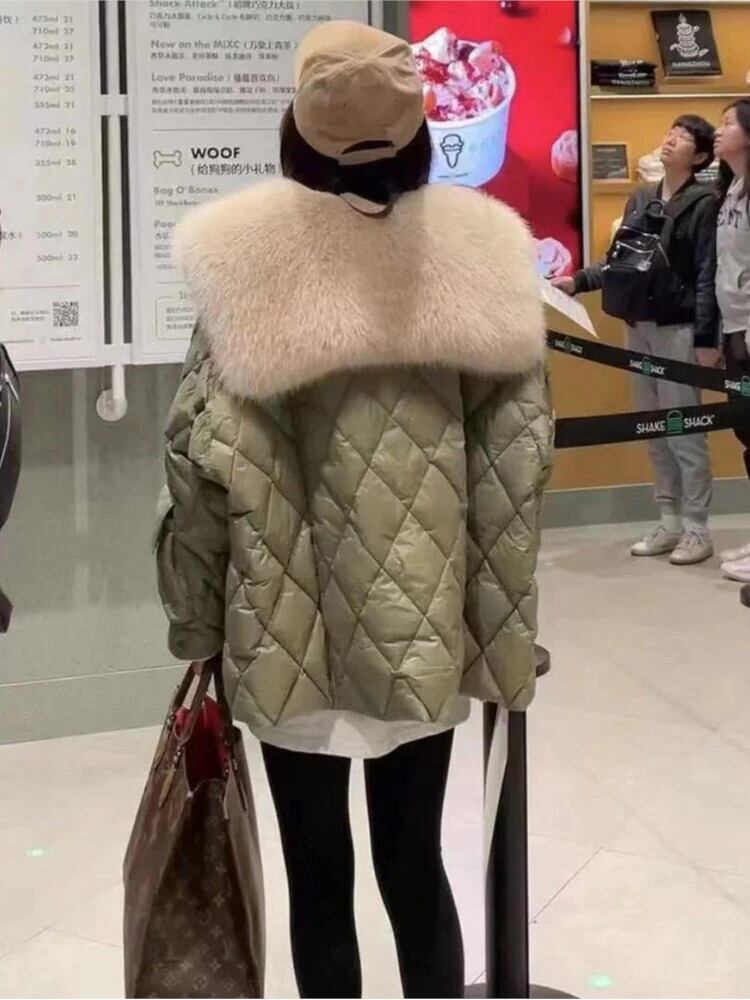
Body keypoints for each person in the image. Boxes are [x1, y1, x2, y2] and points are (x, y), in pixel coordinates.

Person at [155, 21, 551, 1000]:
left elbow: (194, 469)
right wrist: (500, 645)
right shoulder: (479, 261)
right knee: (417, 873)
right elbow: (514, 477)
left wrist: (197, 626)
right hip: (423, 633)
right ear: (420, 135)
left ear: (298, 130)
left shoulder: (242, 267)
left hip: (281, 632)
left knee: (319, 883)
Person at [554, 115, 719, 565]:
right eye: (670, 133)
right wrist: (579, 281)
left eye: (683, 138)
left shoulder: (705, 203)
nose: (671, 140)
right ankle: (669, 519)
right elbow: (621, 259)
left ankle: (697, 528)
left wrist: (707, 335)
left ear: (701, 157)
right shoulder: (643, 196)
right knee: (653, 426)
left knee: (683, 428)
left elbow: (708, 272)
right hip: (637, 323)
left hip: (678, 326)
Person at [714, 99, 750, 583]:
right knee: (746, 431)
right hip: (733, 326)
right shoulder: (732, 190)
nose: (718, 131)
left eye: (728, 123)